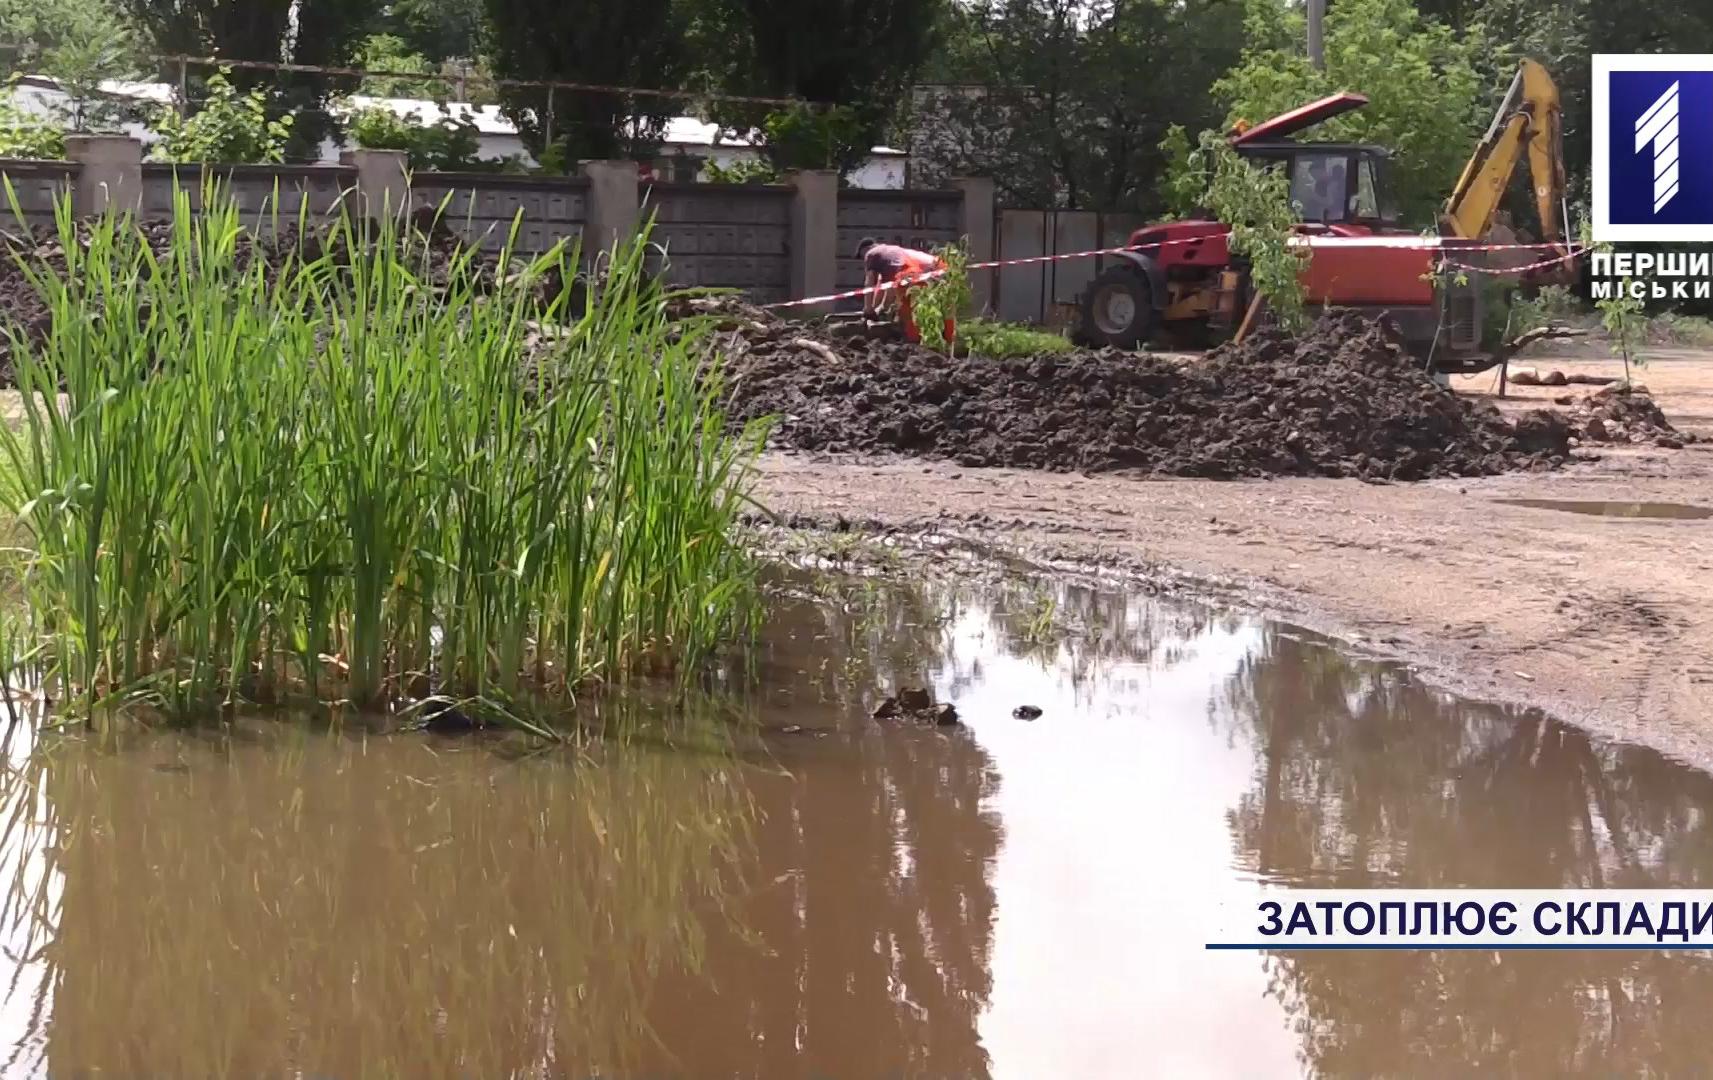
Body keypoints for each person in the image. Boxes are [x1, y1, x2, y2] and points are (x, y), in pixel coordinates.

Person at [858, 237, 955, 345]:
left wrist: (868, 309)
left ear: (866, 249)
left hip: (912, 272)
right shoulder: (893, 253)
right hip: (941, 268)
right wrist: (881, 308)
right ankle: (950, 343)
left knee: (907, 309)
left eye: (862, 256)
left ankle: (914, 345)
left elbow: (869, 282)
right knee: (944, 309)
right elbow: (889, 289)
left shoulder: (872, 253)